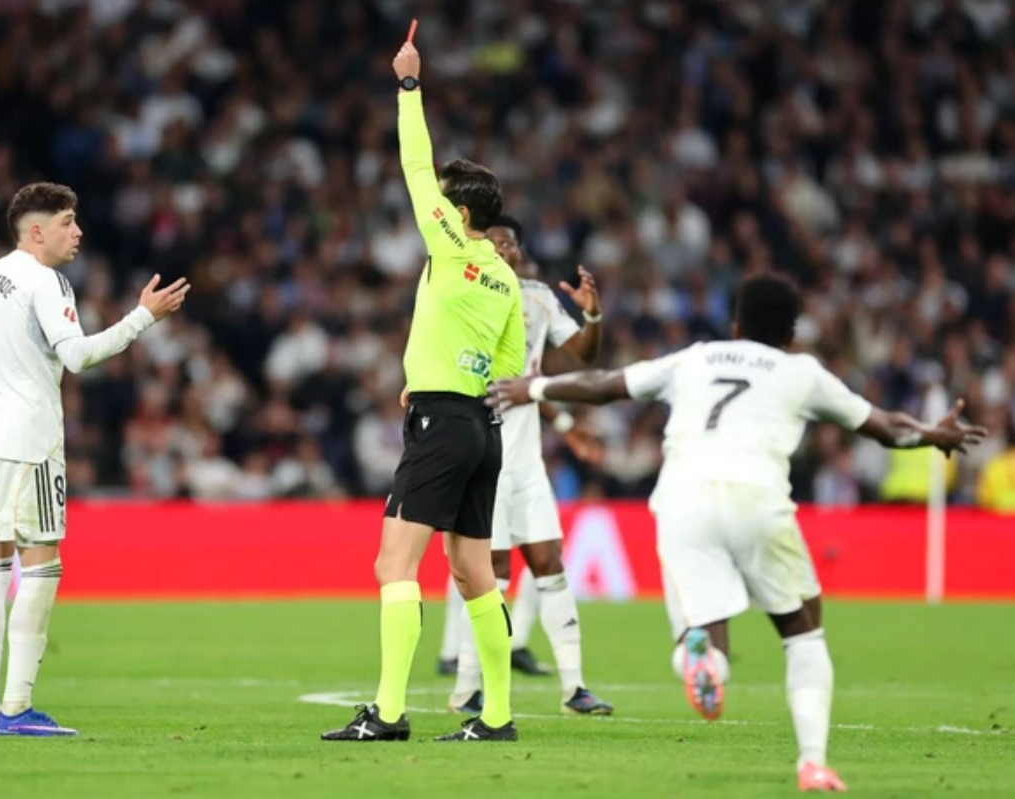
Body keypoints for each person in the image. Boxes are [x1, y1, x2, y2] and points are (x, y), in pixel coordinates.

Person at [487, 273, 987, 790]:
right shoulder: (801, 372)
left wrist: (534, 386)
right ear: (791, 335)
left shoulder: (696, 358)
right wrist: (932, 434)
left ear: (734, 325)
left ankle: (700, 656)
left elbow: (608, 384)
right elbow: (883, 426)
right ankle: (812, 762)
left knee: (706, 634)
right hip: (757, 499)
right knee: (803, 632)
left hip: (682, 501)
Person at [321, 36, 526, 743]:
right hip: (482, 429)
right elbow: (506, 368)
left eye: (444, 200)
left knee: (393, 564)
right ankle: (495, 716)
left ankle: (386, 713)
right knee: (473, 573)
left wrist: (408, 87)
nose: (432, 204)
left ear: (459, 213)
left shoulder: (450, 244)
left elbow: (413, 165)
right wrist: (444, 378)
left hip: (441, 425)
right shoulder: (505, 279)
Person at [0, 182, 189, 736]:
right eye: (67, 222)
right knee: (41, 566)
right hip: (27, 441)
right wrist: (141, 317)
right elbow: (77, 356)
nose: (77, 232)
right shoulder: (45, 280)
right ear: (37, 231)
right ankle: (16, 707)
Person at [445, 216, 613, 716]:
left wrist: (592, 316)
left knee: (550, 563)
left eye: (510, 243)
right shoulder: (461, 293)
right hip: (481, 458)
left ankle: (574, 688)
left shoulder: (538, 298)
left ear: (518, 252)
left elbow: (580, 355)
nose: (502, 249)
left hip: (526, 462)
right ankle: (467, 687)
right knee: (491, 572)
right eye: (493, 242)